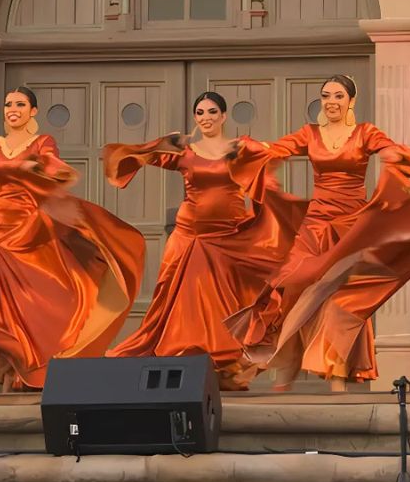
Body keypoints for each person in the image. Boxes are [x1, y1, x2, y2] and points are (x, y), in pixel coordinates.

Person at [230, 74, 410, 390]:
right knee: (288, 284)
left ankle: (335, 373)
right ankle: (279, 358)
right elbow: (277, 149)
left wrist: (395, 155)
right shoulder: (310, 134)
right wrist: (252, 147)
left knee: (338, 300)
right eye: (326, 95)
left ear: (351, 101)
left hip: (352, 227)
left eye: (338, 96)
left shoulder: (365, 132)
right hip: (315, 226)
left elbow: (391, 149)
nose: (331, 101)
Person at [0, 86, 145, 392]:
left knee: (24, 310)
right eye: (8, 103)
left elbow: (51, 163)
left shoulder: (41, 142)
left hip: (29, 233)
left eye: (20, 104)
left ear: (32, 111)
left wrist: (37, 168)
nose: (13, 109)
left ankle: (17, 374)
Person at [101, 91, 307, 389]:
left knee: (231, 303)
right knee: (182, 304)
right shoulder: (185, 152)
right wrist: (163, 142)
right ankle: (186, 361)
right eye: (200, 113)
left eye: (212, 112)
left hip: (229, 236)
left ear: (223, 116)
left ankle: (227, 369)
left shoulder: (240, 148)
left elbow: (278, 155)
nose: (206, 118)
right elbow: (131, 157)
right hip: (190, 236)